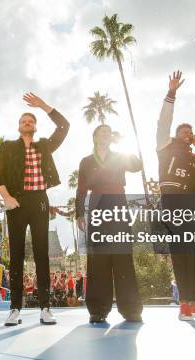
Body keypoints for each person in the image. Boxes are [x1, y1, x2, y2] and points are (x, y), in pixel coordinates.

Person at [0, 93, 69, 326]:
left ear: (35, 127)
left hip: (39, 201)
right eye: (24, 120)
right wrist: (6, 197)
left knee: (41, 254)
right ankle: (15, 308)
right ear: (18, 126)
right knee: (16, 256)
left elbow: (64, 126)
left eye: (31, 120)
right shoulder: (7, 147)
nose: (27, 123)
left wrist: (43, 106)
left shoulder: (44, 145)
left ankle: (45, 307)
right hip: (16, 202)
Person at [156, 71, 195, 321]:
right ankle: (184, 302)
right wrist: (171, 93)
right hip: (173, 202)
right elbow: (163, 122)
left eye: (189, 132)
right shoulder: (165, 147)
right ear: (176, 134)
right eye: (183, 131)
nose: (187, 133)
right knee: (181, 251)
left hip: (194, 205)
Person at [76, 124, 143, 323]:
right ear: (95, 137)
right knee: (98, 257)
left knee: (122, 254)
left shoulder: (120, 156)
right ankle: (98, 309)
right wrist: (79, 212)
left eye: (108, 132)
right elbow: (81, 189)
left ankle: (130, 309)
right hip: (97, 205)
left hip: (118, 203)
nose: (105, 134)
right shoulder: (86, 161)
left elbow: (137, 166)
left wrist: (122, 144)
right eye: (101, 132)